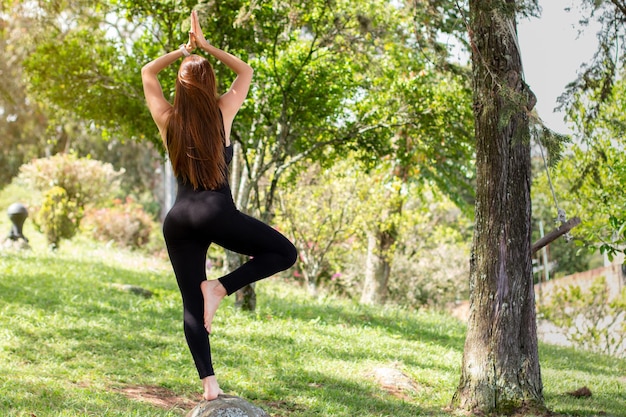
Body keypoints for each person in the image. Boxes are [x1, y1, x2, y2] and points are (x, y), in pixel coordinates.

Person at [141, 10, 297, 401]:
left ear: (179, 86)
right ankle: (222, 288)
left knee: (190, 302)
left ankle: (209, 385)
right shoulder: (222, 113)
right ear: (211, 84)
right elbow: (244, 71)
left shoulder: (167, 118)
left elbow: (147, 73)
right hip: (215, 212)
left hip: (178, 220)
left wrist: (181, 53)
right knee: (283, 252)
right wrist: (205, 46)